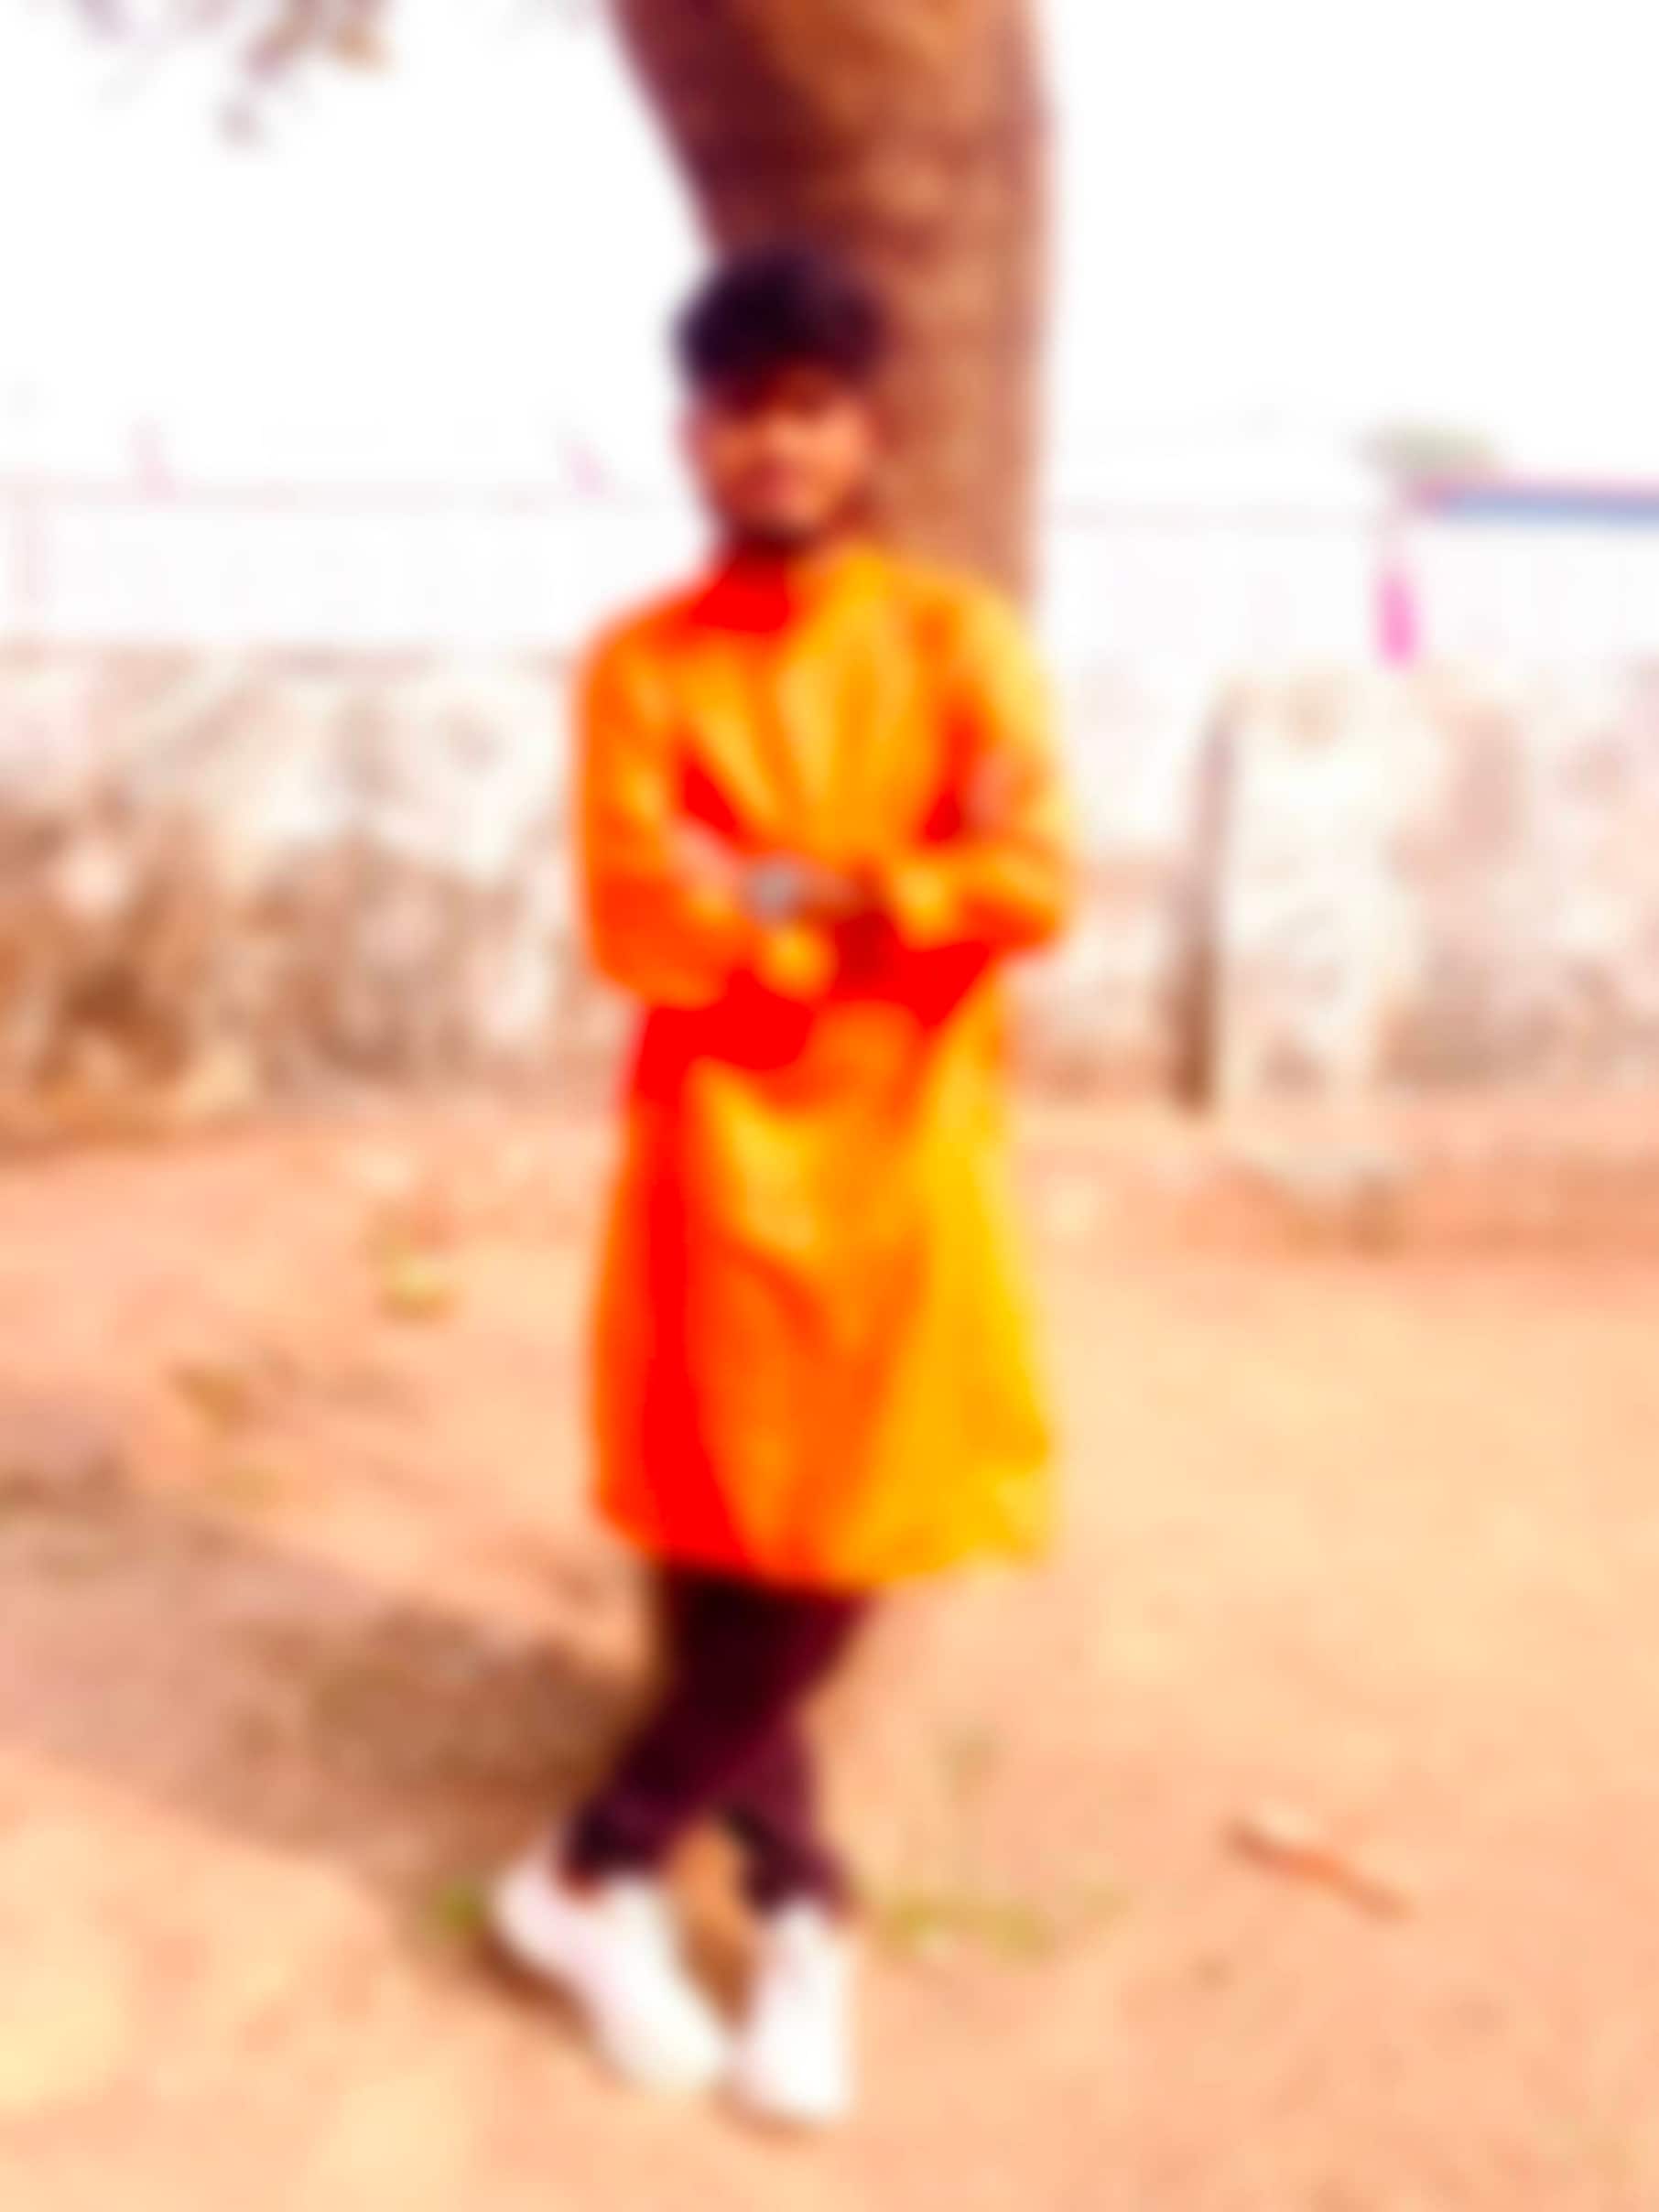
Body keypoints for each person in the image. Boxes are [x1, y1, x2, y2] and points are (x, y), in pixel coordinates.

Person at [492, 243, 1073, 2127]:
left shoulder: (956, 642)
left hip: (905, 1147)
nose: (775, 443)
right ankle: (803, 1908)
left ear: (867, 432)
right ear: (694, 435)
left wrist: (799, 891)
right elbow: (638, 921)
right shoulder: (642, 664)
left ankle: (597, 1860)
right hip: (714, 1153)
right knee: (719, 1523)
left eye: (810, 407)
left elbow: (1034, 882)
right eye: (741, 409)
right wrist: (886, 903)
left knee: (853, 1535)